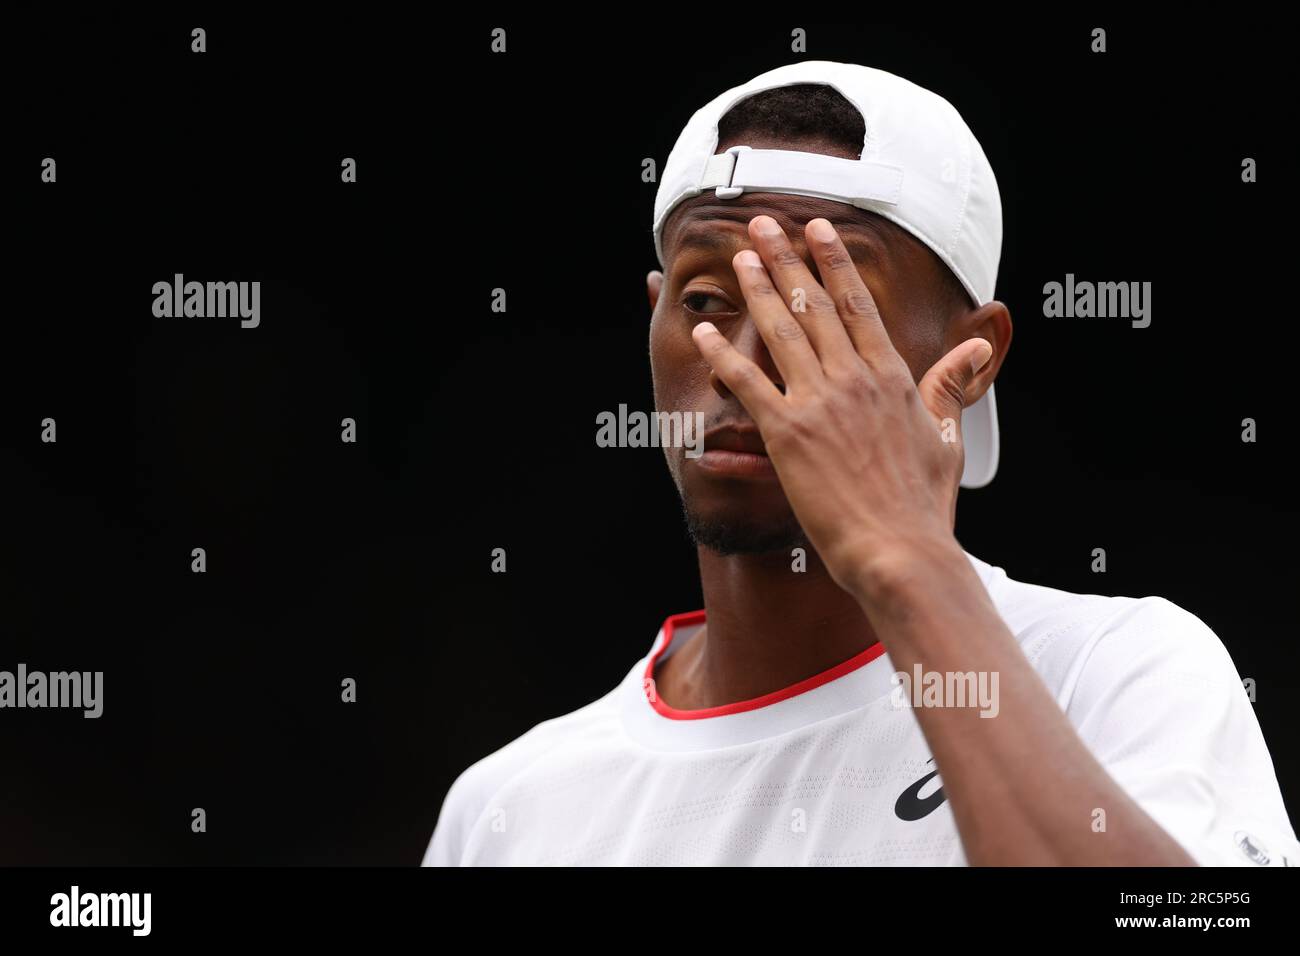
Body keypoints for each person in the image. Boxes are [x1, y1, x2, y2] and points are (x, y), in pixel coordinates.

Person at [424, 61, 1299, 866]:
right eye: (703, 301)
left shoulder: (1118, 671)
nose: (744, 360)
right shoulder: (511, 807)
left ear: (974, 355)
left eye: (821, 309)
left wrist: (905, 558)